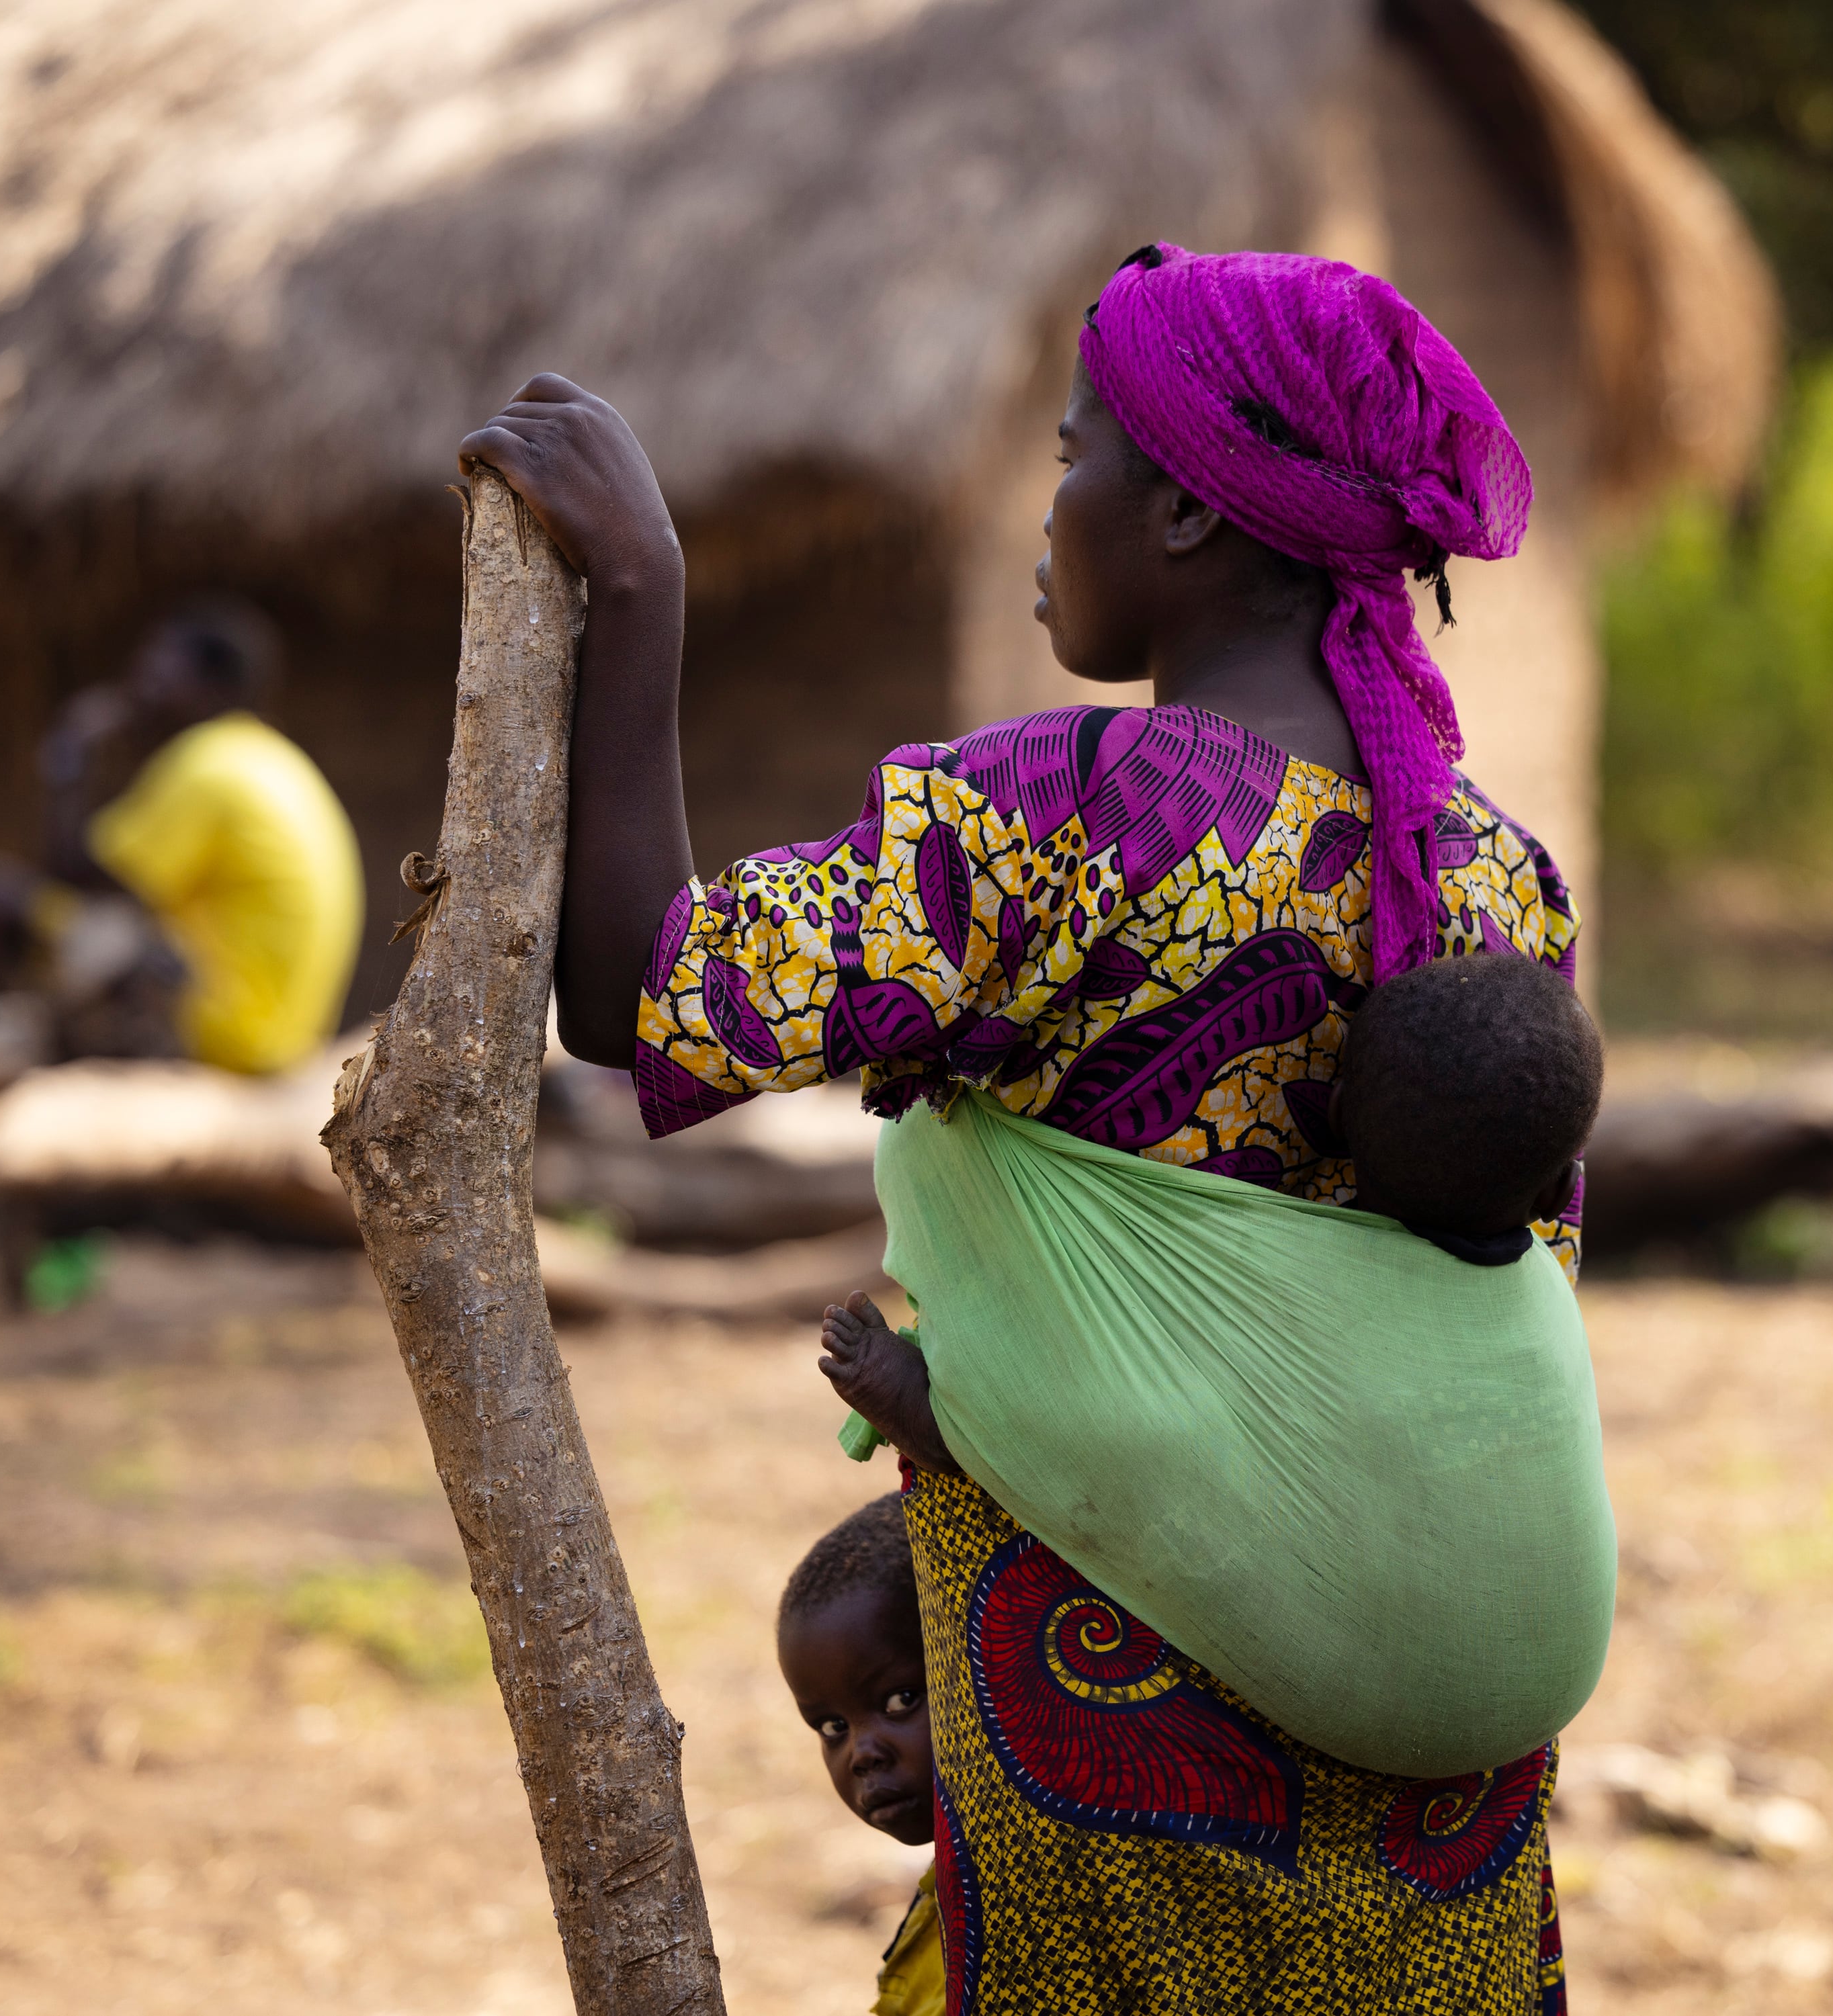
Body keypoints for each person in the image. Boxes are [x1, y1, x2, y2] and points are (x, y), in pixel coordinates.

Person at [468, 244, 1578, 2009]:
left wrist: (642, 581)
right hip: (1436, 1781)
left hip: (1118, 1762)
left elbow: (643, 995)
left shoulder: (1066, 817)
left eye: (1071, 459)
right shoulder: (1501, 879)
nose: (1041, 513)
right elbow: (1498, 1308)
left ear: (1189, 513)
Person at [820, 946, 1606, 1466]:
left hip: (1202, 1501)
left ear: (1331, 1120)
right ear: (1559, 1194)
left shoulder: (1282, 1284)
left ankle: (948, 1429)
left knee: (1120, 1428)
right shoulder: (1541, 1335)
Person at [0, 600, 362, 1073]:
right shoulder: (267, 757)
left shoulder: (207, 763)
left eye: (158, 670)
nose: (140, 688)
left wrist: (69, 758)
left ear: (205, 685)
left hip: (233, 1034)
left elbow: (80, 875)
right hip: (282, 1034)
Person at [779, 1496, 944, 2016]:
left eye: (900, 1700)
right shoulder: (943, 1914)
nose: (862, 1753)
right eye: (833, 1727)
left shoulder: (1047, 1897)